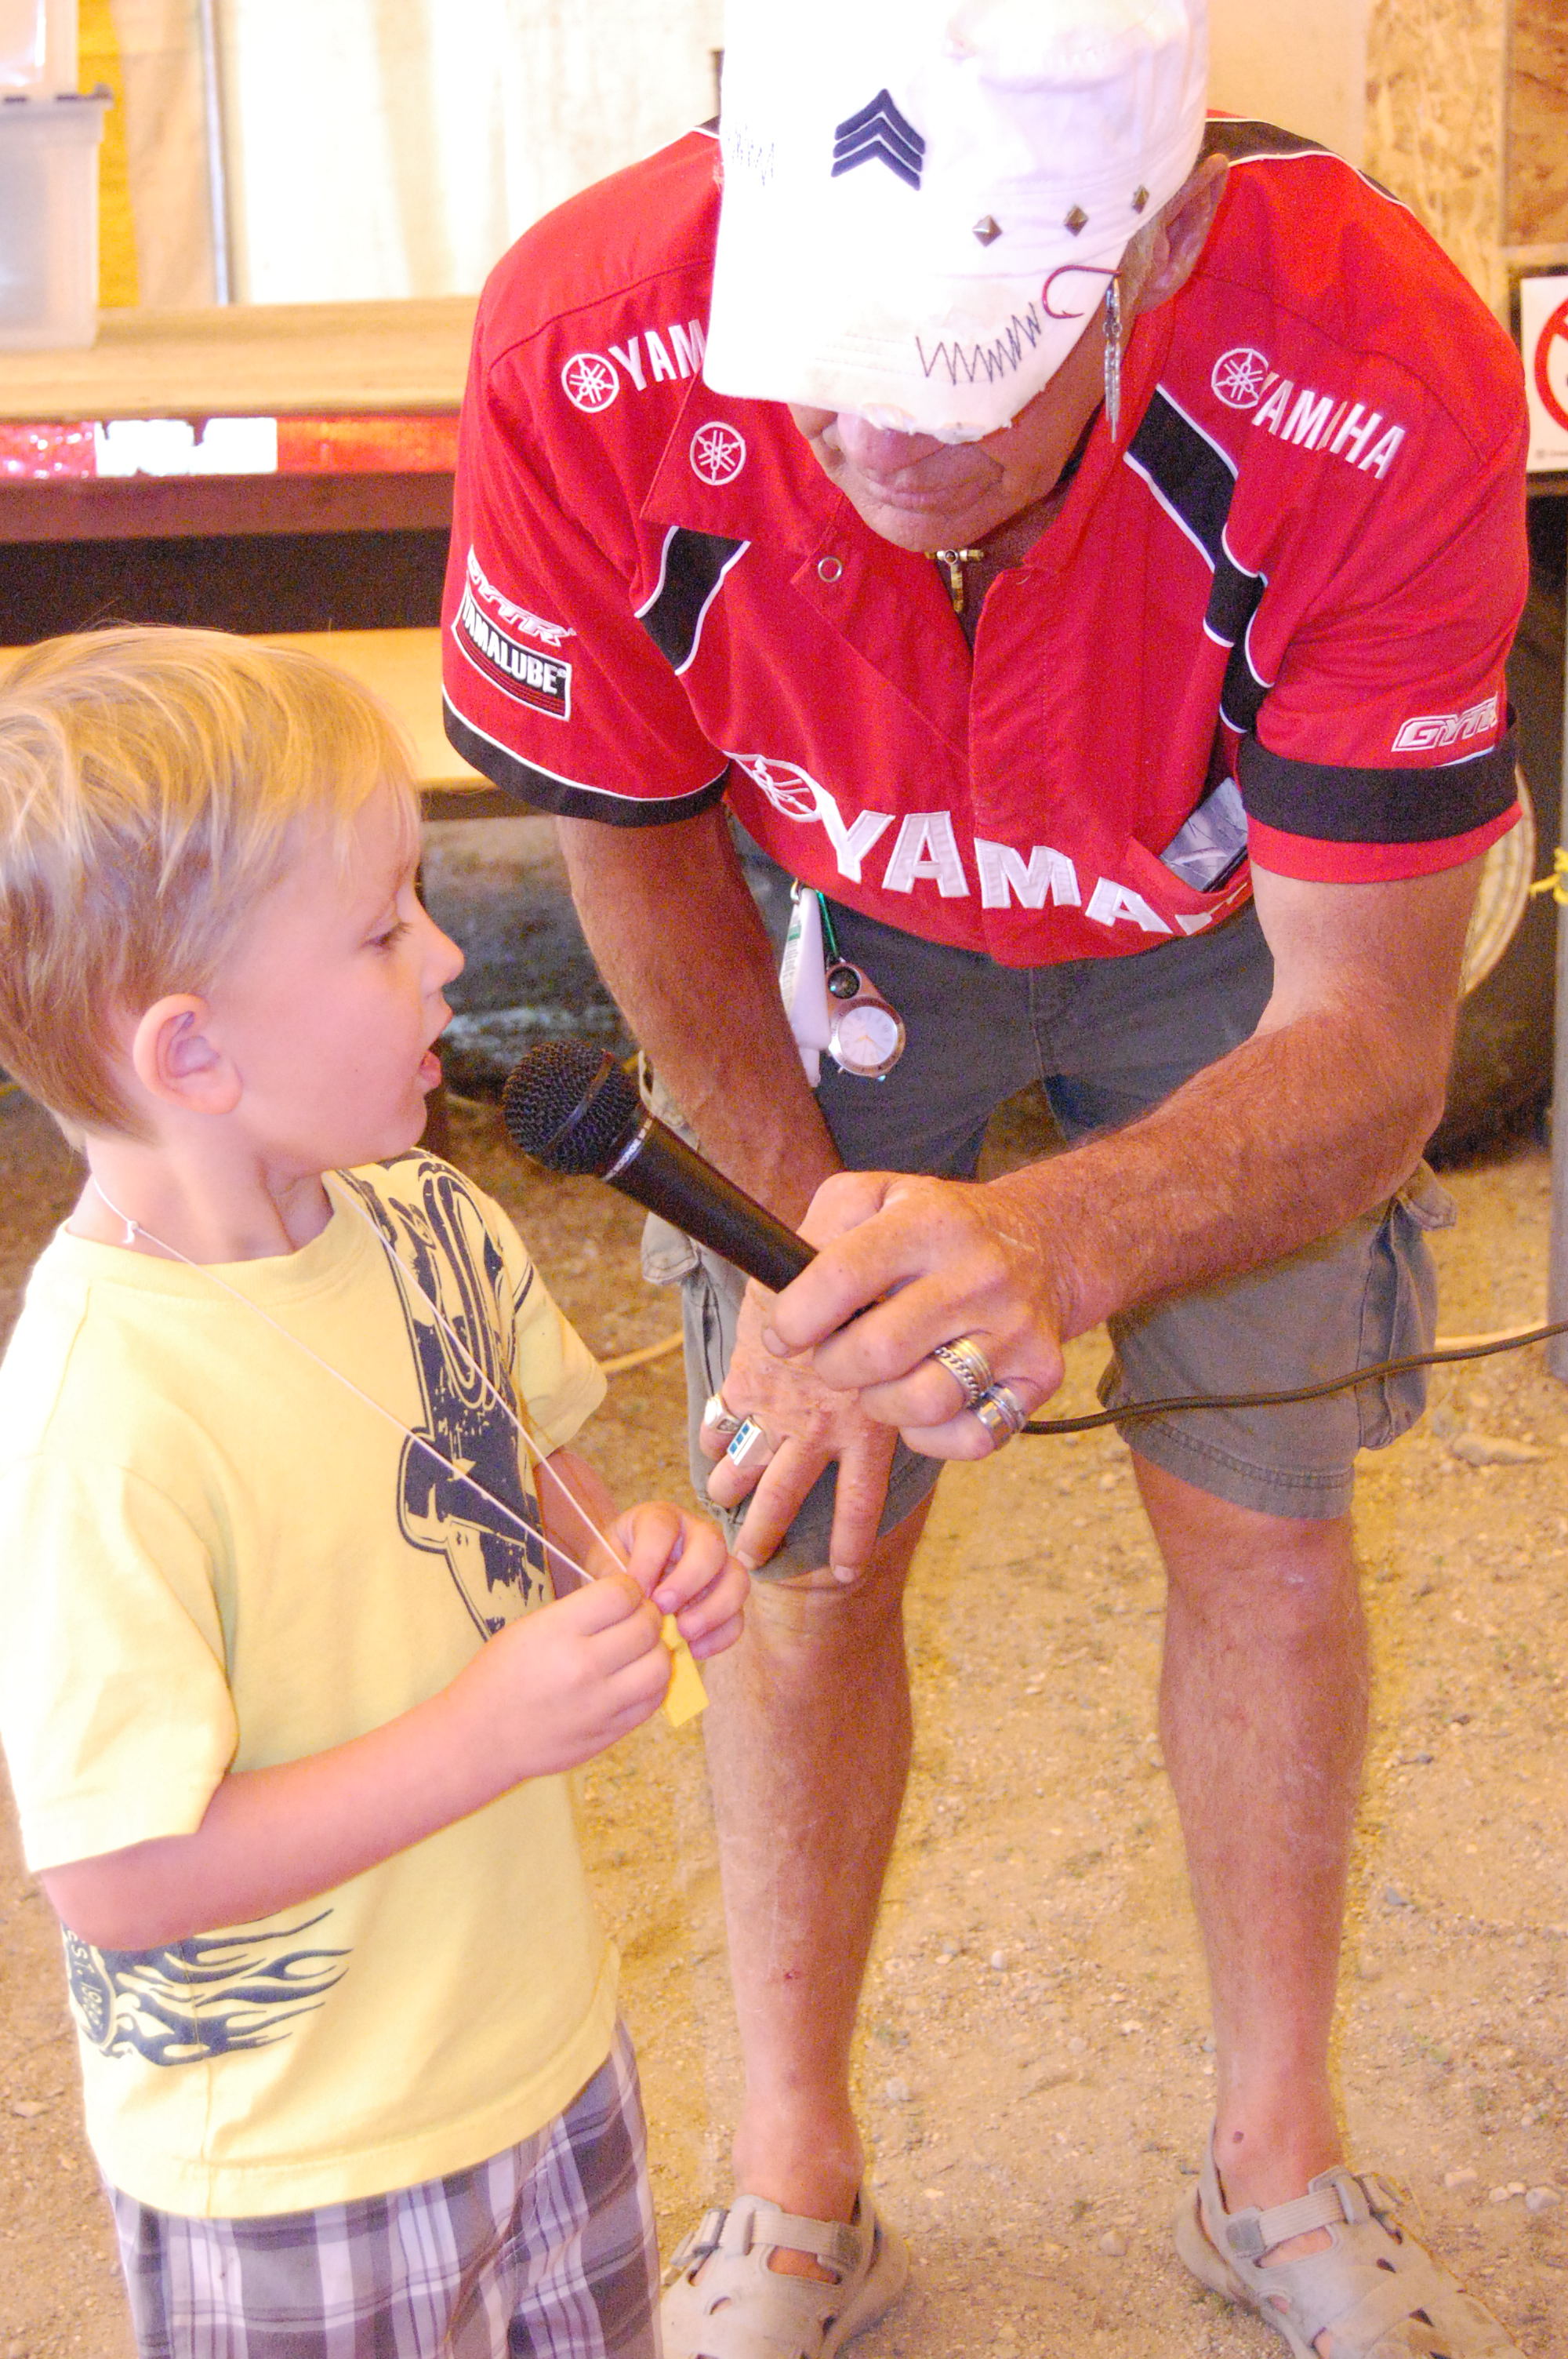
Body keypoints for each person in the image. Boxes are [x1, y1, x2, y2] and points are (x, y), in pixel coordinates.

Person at [440, 1, 1532, 2352]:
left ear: (1145, 260)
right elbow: (632, 838)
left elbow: (1371, 1043)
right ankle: (796, 2188)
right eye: (828, 375)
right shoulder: (583, 337)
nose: (876, 451)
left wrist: (1050, 1240)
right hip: (848, 913)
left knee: (1262, 1522)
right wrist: (800, 1236)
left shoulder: (1373, 363)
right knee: (807, 1531)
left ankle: (1272, 2166)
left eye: (959, 390)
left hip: (1229, 938)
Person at [0, 627, 748, 2359]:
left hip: (539, 2048)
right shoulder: (102, 1406)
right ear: (193, 1055)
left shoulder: (429, 1219)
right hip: (297, 2165)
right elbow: (117, 1876)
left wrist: (620, 1561)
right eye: (381, 928)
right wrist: (486, 1734)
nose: (449, 954)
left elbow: (525, 1477)